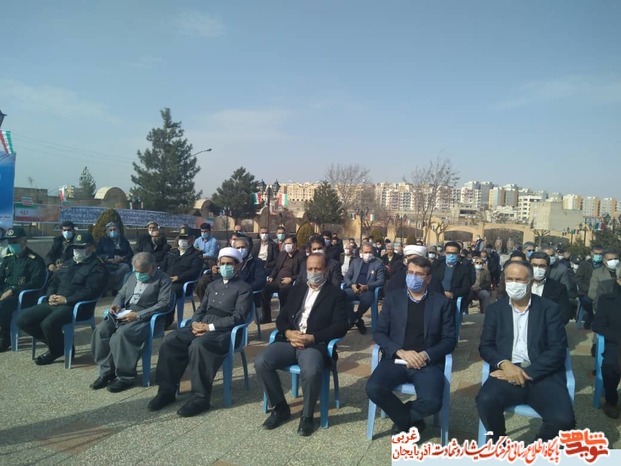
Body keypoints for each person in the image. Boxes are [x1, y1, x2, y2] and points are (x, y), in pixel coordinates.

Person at [476, 260, 575, 443]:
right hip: (507, 372)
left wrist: (525, 372)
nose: (513, 284)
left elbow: (557, 350)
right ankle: (499, 442)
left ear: (530, 281)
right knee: (485, 400)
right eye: (509, 279)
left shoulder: (549, 309)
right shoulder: (495, 310)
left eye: (519, 280)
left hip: (542, 374)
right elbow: (486, 346)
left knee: (563, 420)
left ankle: (536, 450)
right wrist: (505, 365)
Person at [147, 248, 252, 417]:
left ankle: (200, 397)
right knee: (171, 340)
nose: (225, 267)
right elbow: (201, 309)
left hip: (224, 330)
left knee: (198, 345)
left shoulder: (244, 288)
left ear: (238, 266)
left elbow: (238, 317)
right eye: (222, 263)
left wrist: (209, 328)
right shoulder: (212, 285)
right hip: (202, 324)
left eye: (230, 264)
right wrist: (195, 323)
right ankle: (167, 390)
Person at [254, 253, 348, 436]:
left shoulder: (336, 294)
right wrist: (288, 333)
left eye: (318, 269)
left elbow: (341, 326)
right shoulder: (297, 289)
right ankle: (280, 407)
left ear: (326, 270)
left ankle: (307, 415)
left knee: (311, 371)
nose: (313, 272)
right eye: (310, 269)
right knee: (261, 361)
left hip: (314, 344)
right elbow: (282, 318)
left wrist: (313, 337)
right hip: (290, 340)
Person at [366, 256, 456, 435]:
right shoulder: (393, 299)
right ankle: (411, 421)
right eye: (410, 272)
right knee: (374, 388)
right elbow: (379, 333)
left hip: (426, 362)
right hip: (396, 359)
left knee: (432, 402)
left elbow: (449, 340)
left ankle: (403, 419)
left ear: (428, 279)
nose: (413, 277)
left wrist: (425, 355)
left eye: (419, 274)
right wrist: (400, 351)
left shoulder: (441, 303)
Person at [15, 233, 106, 363]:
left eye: (82, 247)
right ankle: (61, 346)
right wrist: (50, 295)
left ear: (92, 247)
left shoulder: (97, 266)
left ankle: (55, 350)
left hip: (77, 306)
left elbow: (91, 291)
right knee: (22, 319)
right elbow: (54, 282)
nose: (78, 250)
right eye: (75, 247)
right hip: (55, 302)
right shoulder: (68, 263)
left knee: (48, 324)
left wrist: (67, 300)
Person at [90, 252, 172, 392]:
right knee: (101, 330)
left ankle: (125, 377)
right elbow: (121, 294)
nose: (139, 275)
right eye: (137, 271)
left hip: (146, 317)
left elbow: (164, 304)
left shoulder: (163, 280)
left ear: (152, 267)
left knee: (121, 335)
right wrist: (117, 304)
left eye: (142, 272)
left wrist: (138, 315)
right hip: (125, 312)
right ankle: (107, 371)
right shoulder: (132, 276)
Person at [0, 227, 47, 352]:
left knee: (2, 306)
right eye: (10, 242)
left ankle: (5, 338)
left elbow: (36, 282)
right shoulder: (9, 258)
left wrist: (13, 291)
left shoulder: (35, 260)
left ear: (24, 241)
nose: (12, 245)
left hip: (24, 297)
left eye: (15, 242)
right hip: (6, 293)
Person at [592, 262, 621, 419]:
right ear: (619, 280)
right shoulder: (607, 300)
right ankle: (611, 401)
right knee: (610, 366)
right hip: (615, 344)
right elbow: (598, 326)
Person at [161, 226, 203, 327]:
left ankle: (166, 321)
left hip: (182, 284)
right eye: (181, 237)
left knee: (170, 291)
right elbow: (163, 267)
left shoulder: (196, 254)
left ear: (192, 239)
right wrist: (164, 277)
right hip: (166, 280)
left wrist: (178, 277)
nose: (182, 240)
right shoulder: (172, 252)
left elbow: (194, 271)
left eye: (185, 238)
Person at [342, 242, 386, 334]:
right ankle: (356, 320)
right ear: (361, 252)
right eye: (365, 252)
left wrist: (367, 287)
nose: (368, 254)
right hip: (354, 287)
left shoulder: (378, 264)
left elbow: (381, 280)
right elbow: (347, 276)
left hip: (367, 289)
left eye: (370, 252)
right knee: (340, 295)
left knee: (368, 298)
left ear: (373, 252)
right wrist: (352, 285)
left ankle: (355, 318)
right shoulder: (355, 262)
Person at [260, 235, 304, 323]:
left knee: (284, 292)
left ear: (295, 244)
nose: (287, 245)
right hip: (277, 280)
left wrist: (291, 279)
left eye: (289, 243)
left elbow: (302, 273)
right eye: (286, 243)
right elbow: (276, 268)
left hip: (290, 282)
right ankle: (266, 317)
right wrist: (272, 276)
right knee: (264, 291)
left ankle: (282, 318)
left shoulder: (301, 256)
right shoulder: (282, 254)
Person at [430, 241, 473, 315]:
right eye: (448, 253)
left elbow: (466, 288)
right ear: (445, 253)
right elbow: (431, 281)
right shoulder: (437, 265)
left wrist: (452, 294)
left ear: (458, 254)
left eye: (454, 253)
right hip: (437, 295)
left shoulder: (464, 269)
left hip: (452, 299)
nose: (451, 255)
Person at [529, 252, 571, 324]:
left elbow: (564, 315)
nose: (537, 268)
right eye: (534, 265)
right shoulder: (521, 285)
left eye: (542, 266)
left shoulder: (559, 288)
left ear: (547, 267)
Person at [96, 222, 133, 296]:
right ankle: (103, 290)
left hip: (121, 262)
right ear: (107, 232)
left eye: (114, 229)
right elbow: (98, 254)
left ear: (118, 230)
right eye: (110, 230)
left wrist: (123, 258)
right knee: (102, 270)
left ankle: (118, 290)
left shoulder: (124, 241)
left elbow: (130, 253)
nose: (113, 231)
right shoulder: (103, 241)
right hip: (107, 262)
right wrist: (107, 259)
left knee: (125, 268)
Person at [575, 244, 605, 329]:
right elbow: (578, 279)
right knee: (589, 303)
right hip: (585, 292)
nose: (598, 256)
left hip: (601, 292)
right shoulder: (584, 264)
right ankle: (590, 319)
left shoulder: (604, 265)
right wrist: (588, 289)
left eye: (600, 254)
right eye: (596, 253)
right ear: (592, 253)